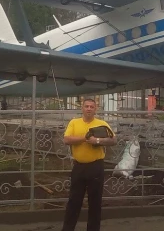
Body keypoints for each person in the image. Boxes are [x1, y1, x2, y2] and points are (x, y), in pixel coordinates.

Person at [61, 98, 117, 231]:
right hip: (79, 167)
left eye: (92, 106)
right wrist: (85, 139)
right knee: (74, 201)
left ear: (95, 109)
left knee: (95, 202)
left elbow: (113, 140)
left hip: (96, 167)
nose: (89, 109)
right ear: (82, 108)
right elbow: (66, 139)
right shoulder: (74, 122)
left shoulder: (102, 123)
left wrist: (97, 141)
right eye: (86, 106)